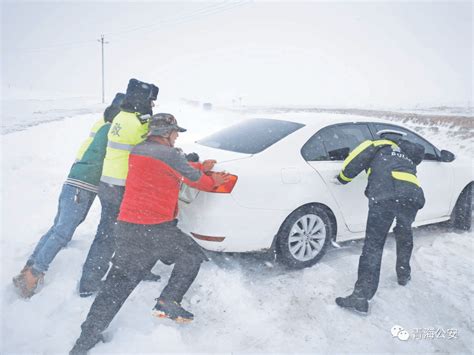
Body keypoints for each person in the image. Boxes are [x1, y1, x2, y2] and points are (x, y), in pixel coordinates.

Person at [70, 113, 229, 354]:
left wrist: (196, 165)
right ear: (166, 133)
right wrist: (212, 177)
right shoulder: (170, 155)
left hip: (126, 228)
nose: (176, 137)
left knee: (116, 287)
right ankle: (169, 300)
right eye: (175, 132)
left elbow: (167, 166)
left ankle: (86, 338)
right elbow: (201, 183)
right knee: (191, 256)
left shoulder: (138, 150)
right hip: (155, 229)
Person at [12, 93, 126, 298]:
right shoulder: (112, 132)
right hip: (81, 187)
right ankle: (33, 275)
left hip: (75, 183)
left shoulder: (102, 127)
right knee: (62, 233)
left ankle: (28, 269)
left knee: (57, 229)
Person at [78, 78, 161, 297]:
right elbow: (151, 149)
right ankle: (89, 283)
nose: (152, 106)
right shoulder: (136, 123)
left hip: (109, 183)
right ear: (141, 99)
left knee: (118, 233)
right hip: (121, 187)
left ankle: (104, 275)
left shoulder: (122, 116)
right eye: (151, 101)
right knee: (114, 235)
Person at [333, 129, 425, 314]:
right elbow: (418, 156)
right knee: (404, 233)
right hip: (412, 196)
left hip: (385, 196)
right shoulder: (407, 151)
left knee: (373, 245)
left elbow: (354, 161)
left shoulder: (376, 145)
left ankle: (361, 296)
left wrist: (342, 179)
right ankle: (403, 274)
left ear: (383, 137)